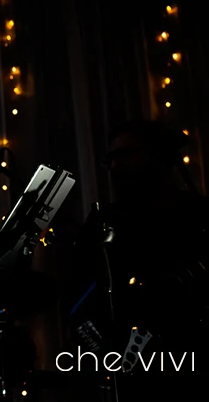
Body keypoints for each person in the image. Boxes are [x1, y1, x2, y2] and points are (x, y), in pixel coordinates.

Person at [68, 119, 209, 399]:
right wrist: (114, 359)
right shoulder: (101, 224)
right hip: (135, 378)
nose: (117, 165)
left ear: (157, 158)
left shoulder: (196, 213)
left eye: (127, 154)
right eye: (112, 157)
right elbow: (78, 306)